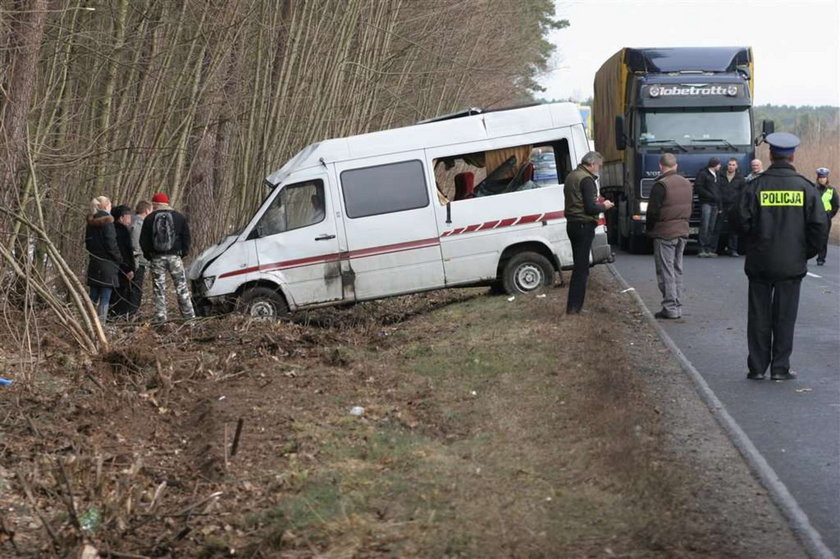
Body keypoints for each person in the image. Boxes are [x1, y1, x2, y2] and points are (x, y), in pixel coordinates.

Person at [733, 132, 827, 381]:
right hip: (791, 263)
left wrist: (751, 246)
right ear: (792, 156)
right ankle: (780, 368)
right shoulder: (805, 188)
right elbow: (820, 227)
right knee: (785, 317)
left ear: (771, 155)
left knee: (758, 316)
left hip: (760, 262)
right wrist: (804, 253)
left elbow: (739, 221)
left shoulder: (755, 186)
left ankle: (756, 367)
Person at [563, 151, 614, 314]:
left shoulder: (572, 176)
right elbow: (590, 207)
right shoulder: (587, 180)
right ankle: (574, 308)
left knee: (579, 266)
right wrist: (604, 206)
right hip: (584, 224)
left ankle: (574, 307)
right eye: (598, 166)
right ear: (592, 164)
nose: (598, 169)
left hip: (572, 224)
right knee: (581, 269)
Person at [645, 153, 692, 319]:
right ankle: (677, 304)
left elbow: (653, 211)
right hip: (683, 231)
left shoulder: (661, 185)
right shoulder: (687, 183)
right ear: (676, 166)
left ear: (660, 166)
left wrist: (649, 229)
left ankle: (670, 307)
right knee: (677, 269)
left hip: (665, 232)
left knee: (666, 270)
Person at [139, 192, 195, 323]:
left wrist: (149, 256)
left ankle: (160, 318)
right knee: (181, 287)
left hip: (157, 258)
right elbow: (187, 238)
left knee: (159, 289)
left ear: (156, 204)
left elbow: (143, 241)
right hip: (175, 257)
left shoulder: (149, 218)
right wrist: (182, 253)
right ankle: (189, 318)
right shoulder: (178, 217)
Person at [85, 196, 121, 321]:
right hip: (108, 265)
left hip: (94, 262)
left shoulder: (90, 223)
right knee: (105, 297)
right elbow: (111, 244)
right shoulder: (108, 222)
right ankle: (101, 326)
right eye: (110, 205)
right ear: (106, 206)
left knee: (93, 297)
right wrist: (119, 258)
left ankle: (88, 323)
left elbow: (88, 244)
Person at [108, 205, 136, 318]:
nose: (130, 220)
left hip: (114, 267)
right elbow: (125, 252)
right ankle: (117, 317)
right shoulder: (122, 231)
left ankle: (112, 315)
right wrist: (129, 268)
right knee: (120, 294)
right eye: (128, 217)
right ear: (121, 217)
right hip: (122, 268)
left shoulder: (110, 228)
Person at [694, 157, 722, 257]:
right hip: (706, 203)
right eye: (719, 164)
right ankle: (701, 248)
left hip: (715, 204)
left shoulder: (717, 175)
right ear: (714, 165)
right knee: (704, 226)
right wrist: (710, 195)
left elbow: (719, 190)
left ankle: (708, 248)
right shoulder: (703, 174)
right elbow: (698, 187)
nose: (720, 166)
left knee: (711, 227)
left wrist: (720, 206)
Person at [718, 158, 745, 256]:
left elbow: (743, 192)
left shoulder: (740, 178)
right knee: (718, 227)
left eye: (733, 165)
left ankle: (732, 249)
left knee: (733, 229)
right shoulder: (720, 176)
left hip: (734, 205)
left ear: (736, 166)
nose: (731, 166)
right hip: (722, 205)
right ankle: (716, 249)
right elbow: (717, 190)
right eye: (729, 164)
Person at [129, 200, 153, 314]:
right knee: (136, 289)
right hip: (138, 263)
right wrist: (136, 263)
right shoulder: (139, 223)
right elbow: (135, 245)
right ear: (147, 210)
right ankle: (133, 313)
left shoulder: (130, 220)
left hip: (133, 261)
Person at [814, 168, 839, 266]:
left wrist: (829, 215)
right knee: (811, 236)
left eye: (823, 177)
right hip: (814, 216)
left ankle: (821, 258)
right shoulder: (813, 188)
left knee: (823, 238)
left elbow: (836, 205)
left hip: (825, 217)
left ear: (827, 178)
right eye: (820, 177)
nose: (821, 179)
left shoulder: (831, 190)